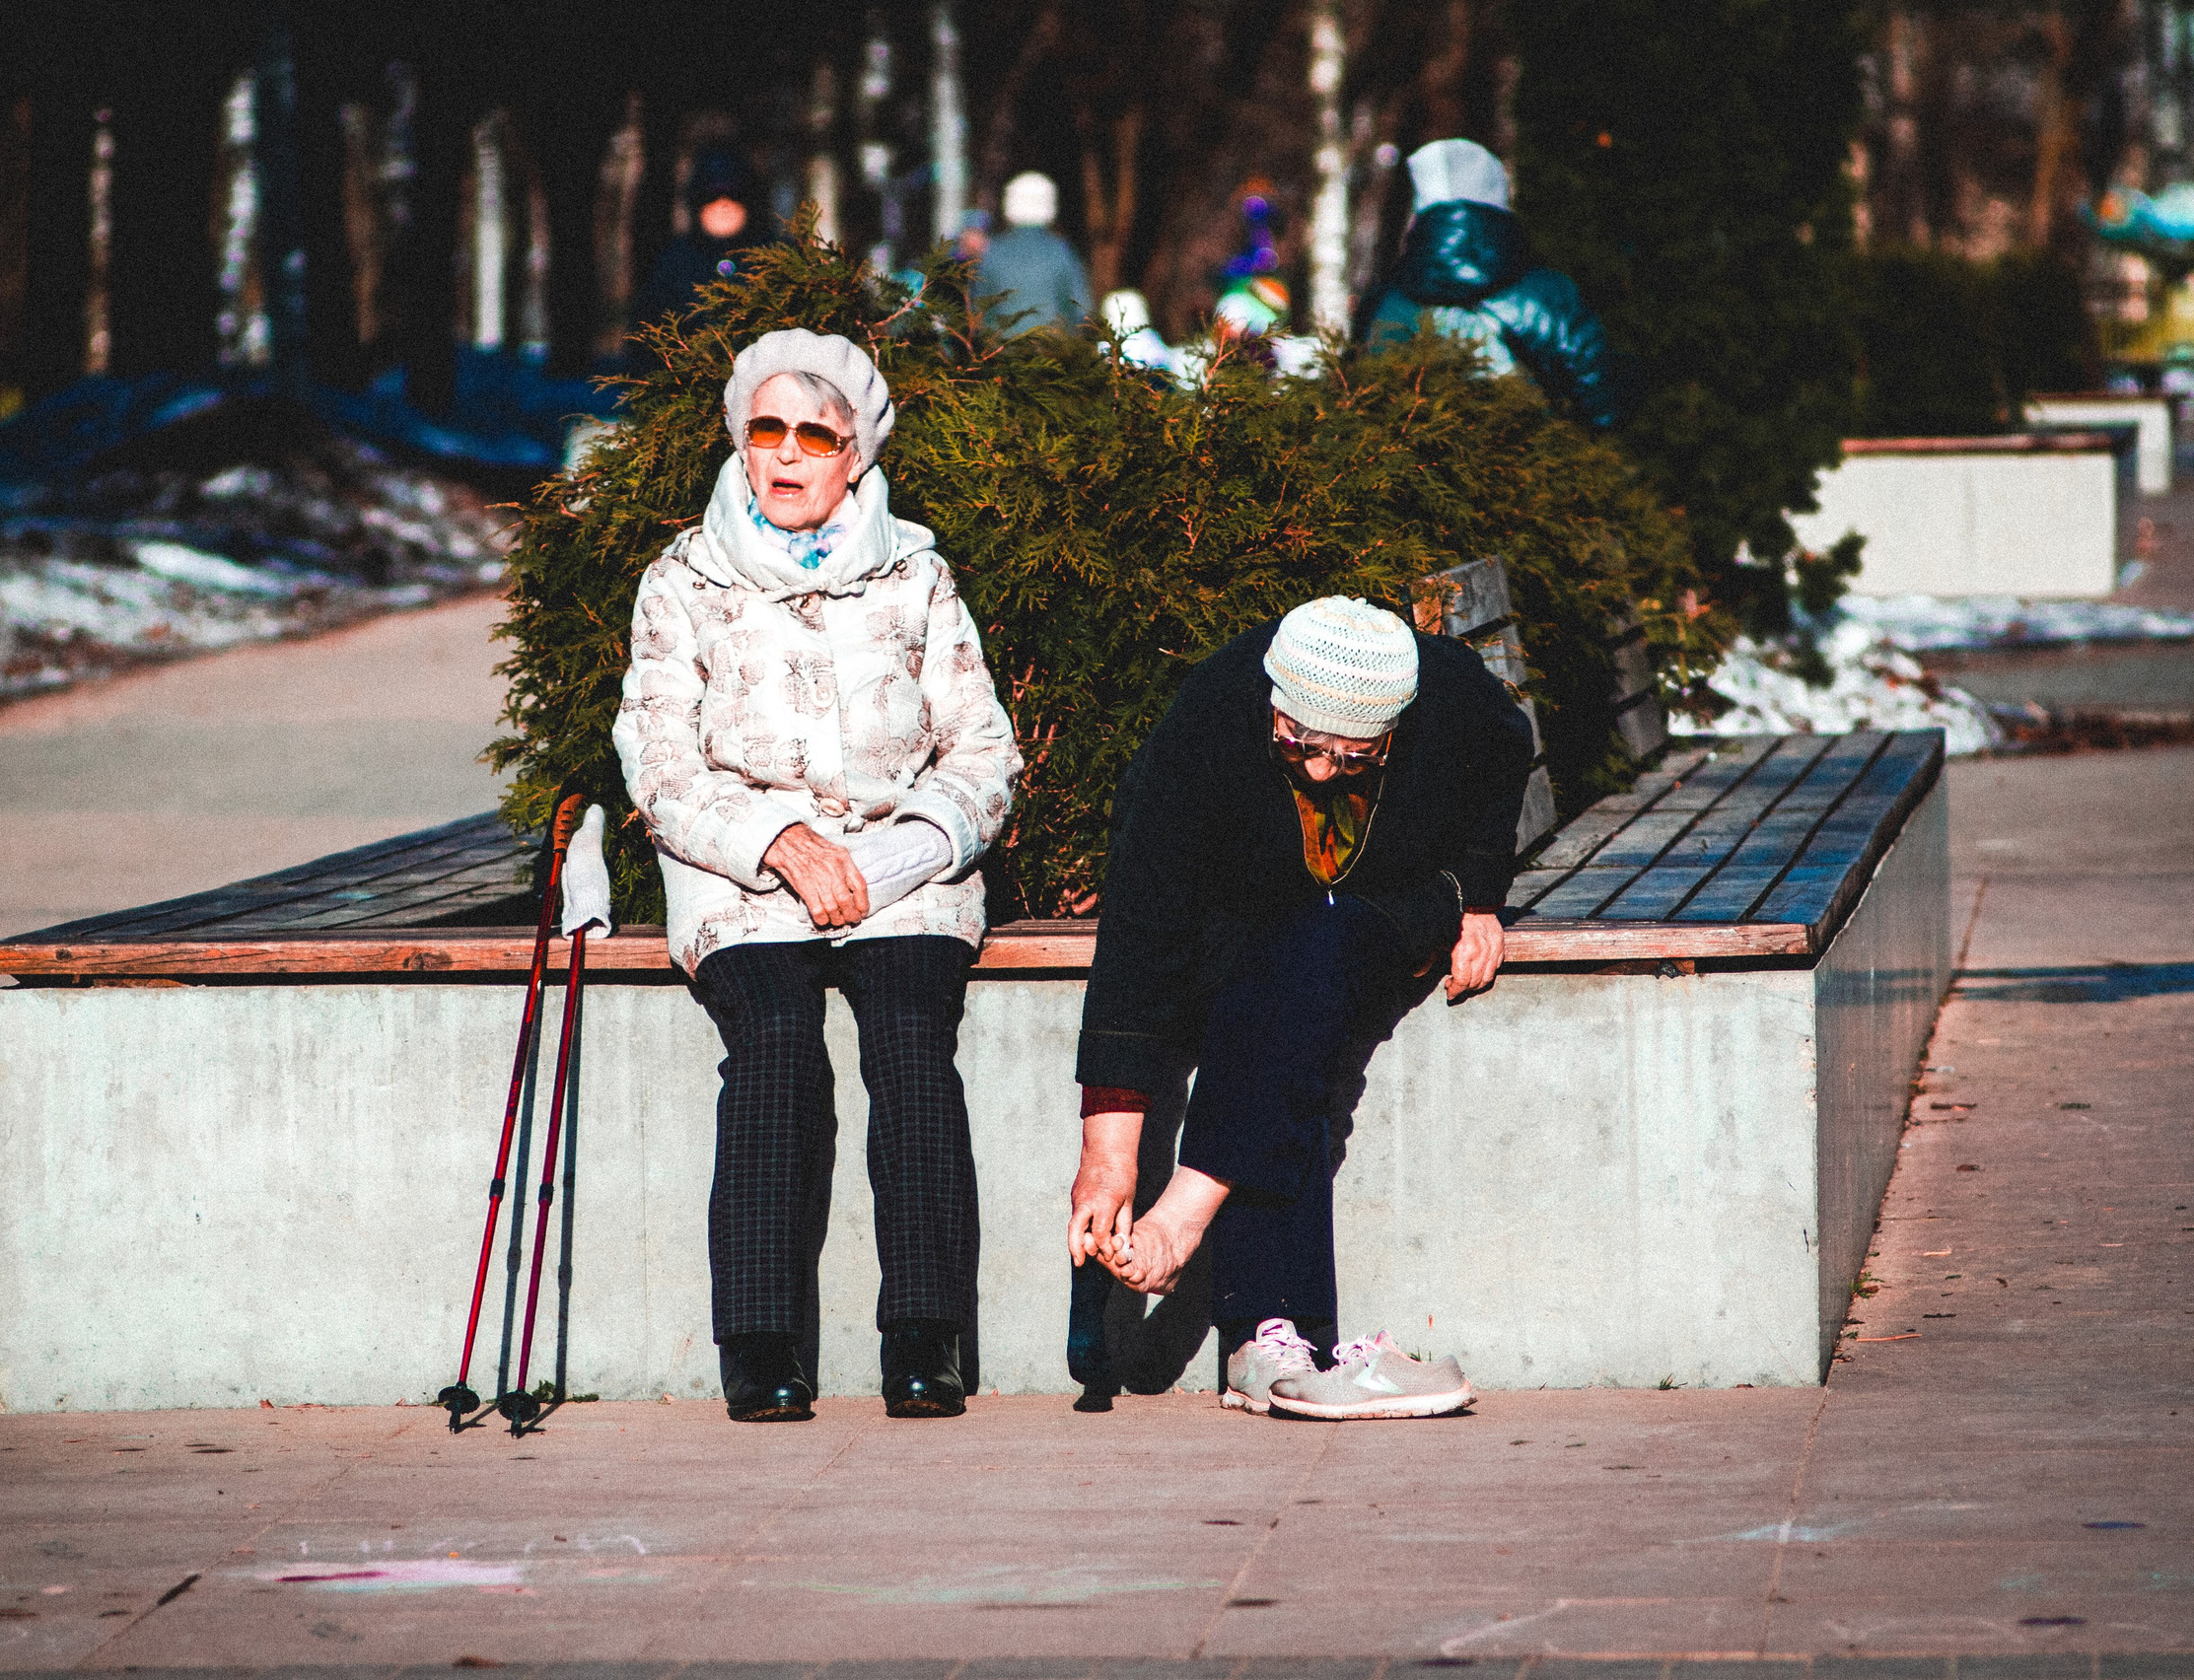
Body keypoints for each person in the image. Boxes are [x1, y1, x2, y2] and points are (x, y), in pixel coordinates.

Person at [612, 328, 1024, 1424]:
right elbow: (656, 760)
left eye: (815, 435)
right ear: (741, 441)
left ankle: (923, 1340)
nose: (787, 455)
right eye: (766, 430)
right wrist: (777, 846)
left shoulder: (916, 575)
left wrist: (896, 855)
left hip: (900, 871)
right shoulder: (681, 580)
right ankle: (759, 1343)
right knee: (776, 1049)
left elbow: (983, 753)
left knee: (908, 1039)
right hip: (741, 874)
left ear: (857, 453)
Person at [1063, 595, 1533, 1419]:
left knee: (1307, 954)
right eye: (1299, 745)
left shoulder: (1452, 697)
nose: (1320, 771)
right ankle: (1277, 1343)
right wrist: (1109, 1157)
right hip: (1256, 931)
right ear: (1272, 700)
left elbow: (1506, 753)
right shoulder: (1208, 721)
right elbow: (1140, 935)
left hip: (1392, 904)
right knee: (1281, 986)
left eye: (1354, 759)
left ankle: (1198, 1231)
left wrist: (1481, 898)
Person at [1365, 138, 1620, 429]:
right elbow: (1600, 400)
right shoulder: (1548, 295)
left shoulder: (1386, 301)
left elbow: (1362, 399)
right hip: (1538, 465)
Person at [631, 148, 775, 374]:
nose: (723, 205)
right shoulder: (675, 263)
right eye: (711, 196)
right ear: (696, 204)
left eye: (735, 195)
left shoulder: (774, 257)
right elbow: (646, 340)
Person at [973, 172, 1093, 335]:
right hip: (1052, 350)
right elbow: (1080, 309)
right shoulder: (1061, 251)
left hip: (1002, 351)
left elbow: (980, 310)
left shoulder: (994, 252)